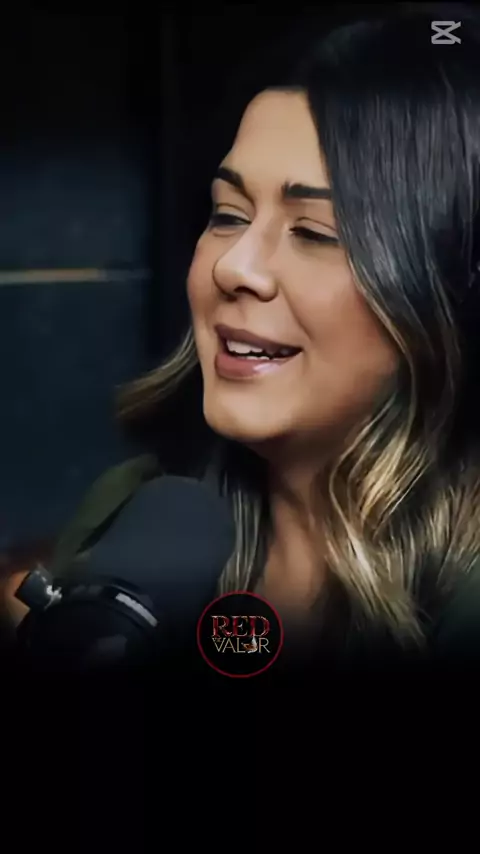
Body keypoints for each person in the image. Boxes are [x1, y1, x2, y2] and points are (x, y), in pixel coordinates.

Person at [4, 4, 480, 677]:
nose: (233, 267)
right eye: (228, 215)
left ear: (452, 288)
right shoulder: (130, 506)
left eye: (313, 232)